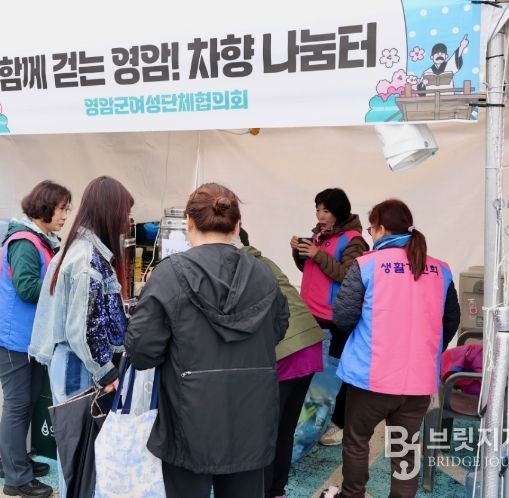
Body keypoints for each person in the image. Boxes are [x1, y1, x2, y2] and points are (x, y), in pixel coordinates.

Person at [125, 183, 290, 498]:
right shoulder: (263, 273)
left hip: (188, 416)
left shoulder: (169, 274)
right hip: (251, 416)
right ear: (237, 225)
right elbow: (278, 329)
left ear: (188, 221)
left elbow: (141, 350)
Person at [328, 199, 460, 498]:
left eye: (371, 230)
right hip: (418, 382)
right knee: (406, 449)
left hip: (370, 377)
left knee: (357, 441)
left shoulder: (367, 264)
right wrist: (427, 348)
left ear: (381, 229)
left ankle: (352, 494)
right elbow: (451, 320)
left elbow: (343, 317)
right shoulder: (440, 269)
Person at [28, 176, 134, 493]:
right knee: (80, 454)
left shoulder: (78, 249)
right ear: (109, 211)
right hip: (79, 366)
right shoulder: (87, 258)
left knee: (74, 450)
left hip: (71, 363)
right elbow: (83, 330)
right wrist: (106, 371)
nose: (127, 222)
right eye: (125, 213)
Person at [0, 180, 71, 498]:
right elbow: (27, 288)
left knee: (25, 402)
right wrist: (62, 284)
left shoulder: (40, 239)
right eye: (61, 209)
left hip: (26, 338)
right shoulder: (24, 241)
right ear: (45, 208)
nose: (65, 216)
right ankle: (16, 478)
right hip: (13, 339)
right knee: (18, 405)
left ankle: (13, 461)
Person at [237, 227, 325, 498]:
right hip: (308, 344)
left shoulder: (240, 269)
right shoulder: (263, 261)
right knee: (284, 428)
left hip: (287, 351)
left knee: (265, 432)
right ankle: (276, 490)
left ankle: (264, 491)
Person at [290, 188, 368, 446]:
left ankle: (338, 423)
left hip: (334, 318)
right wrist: (300, 252)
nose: (320, 215)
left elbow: (349, 276)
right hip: (310, 313)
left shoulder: (354, 240)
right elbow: (311, 269)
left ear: (339, 212)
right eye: (317, 210)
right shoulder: (319, 236)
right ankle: (310, 421)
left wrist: (317, 254)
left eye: (326, 210)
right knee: (312, 372)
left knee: (334, 374)